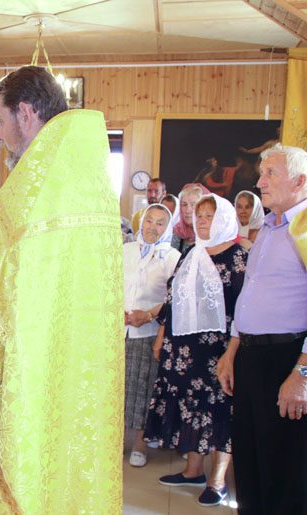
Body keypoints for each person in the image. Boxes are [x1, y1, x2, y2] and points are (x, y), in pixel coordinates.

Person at [0, 65, 124, 514]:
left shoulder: (36, 188)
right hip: (77, 359)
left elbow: (7, 288)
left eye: (0, 121)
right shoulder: (89, 179)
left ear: (25, 113)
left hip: (22, 360)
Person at [218, 144, 307, 514]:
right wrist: (231, 351)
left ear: (300, 181)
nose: (260, 182)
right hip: (250, 356)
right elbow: (249, 296)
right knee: (250, 458)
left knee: (284, 468)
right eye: (261, 173)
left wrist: (302, 374)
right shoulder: (268, 228)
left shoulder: (305, 228)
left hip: (287, 358)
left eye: (271, 173)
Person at [144, 194, 246, 508]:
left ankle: (217, 481)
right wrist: (161, 335)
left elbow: (243, 310)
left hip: (218, 352)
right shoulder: (192, 252)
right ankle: (192, 471)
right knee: (190, 408)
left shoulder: (237, 257)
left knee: (218, 412)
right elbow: (173, 299)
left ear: (223, 219)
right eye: (198, 216)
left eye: (208, 216)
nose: (201, 221)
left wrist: (231, 353)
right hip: (182, 349)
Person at [122, 204, 180, 468]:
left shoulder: (172, 257)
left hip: (148, 331)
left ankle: (140, 444)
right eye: (149, 221)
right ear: (141, 222)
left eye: (160, 223)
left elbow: (173, 298)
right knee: (119, 387)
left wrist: (146, 315)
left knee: (143, 389)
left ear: (167, 228)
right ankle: (115, 441)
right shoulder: (125, 250)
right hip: (119, 330)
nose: (152, 227)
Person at [173, 183, 209, 254]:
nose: (187, 210)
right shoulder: (177, 233)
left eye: (193, 205)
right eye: (184, 204)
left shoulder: (212, 237)